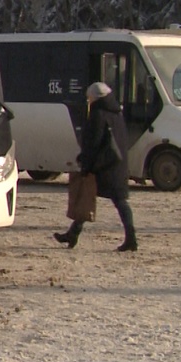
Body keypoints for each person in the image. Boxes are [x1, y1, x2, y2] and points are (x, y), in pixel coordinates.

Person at [54, 81, 139, 252]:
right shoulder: (116, 112)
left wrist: (85, 163)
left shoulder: (98, 114)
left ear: (94, 98)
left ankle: (131, 238)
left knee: (106, 199)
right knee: (115, 200)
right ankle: (73, 233)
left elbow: (92, 143)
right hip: (116, 163)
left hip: (103, 165)